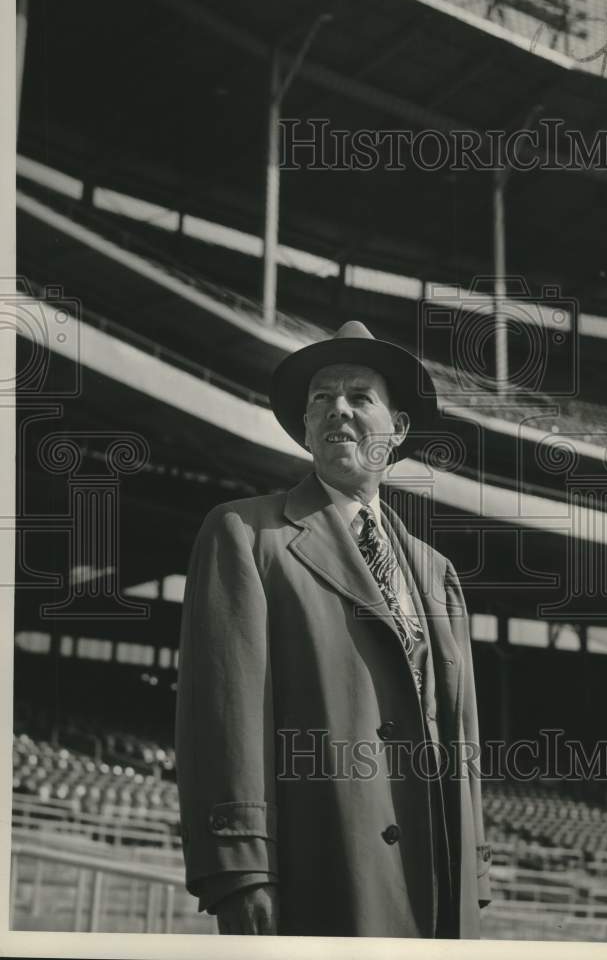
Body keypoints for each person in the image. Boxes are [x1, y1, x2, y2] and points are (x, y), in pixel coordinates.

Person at [175, 320, 491, 938]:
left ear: (397, 430)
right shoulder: (245, 534)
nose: (335, 409)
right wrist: (239, 870)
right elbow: (223, 713)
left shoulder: (437, 571)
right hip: (321, 867)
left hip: (439, 888)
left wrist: (473, 877)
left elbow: (465, 732)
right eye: (321, 398)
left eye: (358, 397)